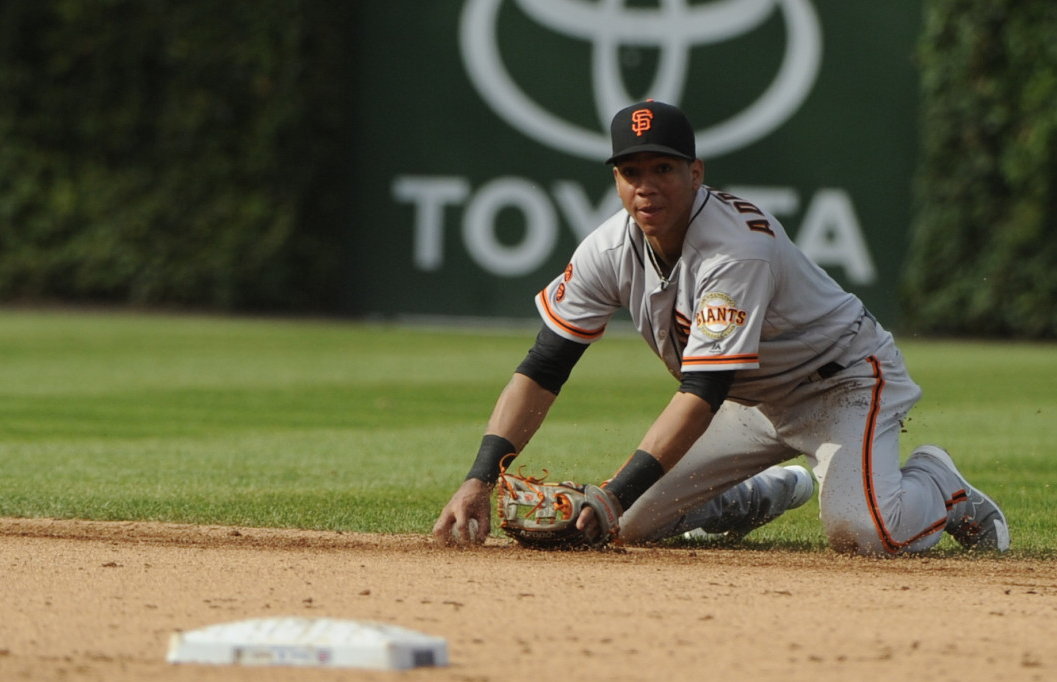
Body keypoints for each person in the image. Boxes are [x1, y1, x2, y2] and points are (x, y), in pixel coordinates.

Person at [432, 100, 1010, 555]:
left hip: (843, 385)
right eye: (630, 171)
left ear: (695, 172)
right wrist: (480, 478)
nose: (645, 185)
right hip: (751, 400)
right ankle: (758, 495)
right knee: (626, 524)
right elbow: (545, 366)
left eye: (662, 168)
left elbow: (702, 392)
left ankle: (939, 484)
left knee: (864, 535)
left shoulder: (733, 249)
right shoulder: (607, 247)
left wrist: (610, 493)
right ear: (615, 179)